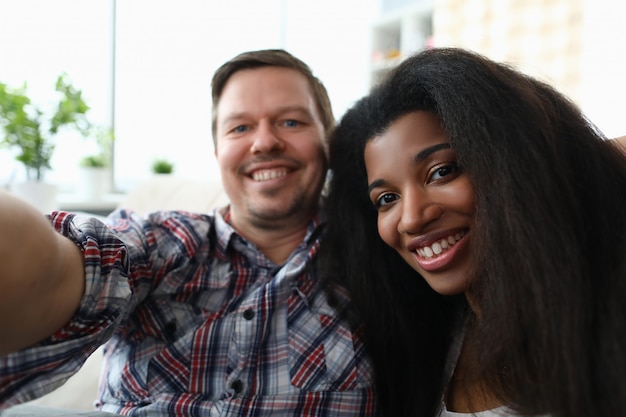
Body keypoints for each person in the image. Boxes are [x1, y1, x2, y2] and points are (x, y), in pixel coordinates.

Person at [0, 49, 378, 416]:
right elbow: (70, 265)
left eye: (291, 122)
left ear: (328, 142)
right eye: (240, 127)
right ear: (218, 152)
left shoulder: (381, 259)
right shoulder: (161, 243)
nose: (264, 142)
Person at [321, 47, 626, 417]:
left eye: (442, 172)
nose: (412, 219)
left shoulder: (604, 310)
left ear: (513, 163)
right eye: (387, 198)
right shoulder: (437, 337)